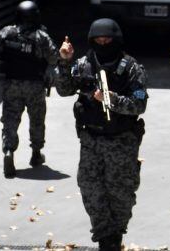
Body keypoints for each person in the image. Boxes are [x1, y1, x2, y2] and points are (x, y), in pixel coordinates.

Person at [55, 18, 147, 251]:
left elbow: (139, 104)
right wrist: (64, 62)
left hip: (121, 141)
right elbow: (64, 90)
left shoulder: (131, 67)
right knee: (90, 188)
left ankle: (114, 236)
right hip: (91, 140)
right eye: (98, 40)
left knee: (121, 193)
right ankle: (105, 236)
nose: (103, 44)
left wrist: (110, 99)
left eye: (108, 40)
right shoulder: (84, 64)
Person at [0, 0, 58, 178]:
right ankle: (36, 154)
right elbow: (54, 58)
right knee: (36, 119)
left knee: (10, 119)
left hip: (12, 84)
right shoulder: (41, 36)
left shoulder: (6, 32)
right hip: (35, 85)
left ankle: (8, 151)